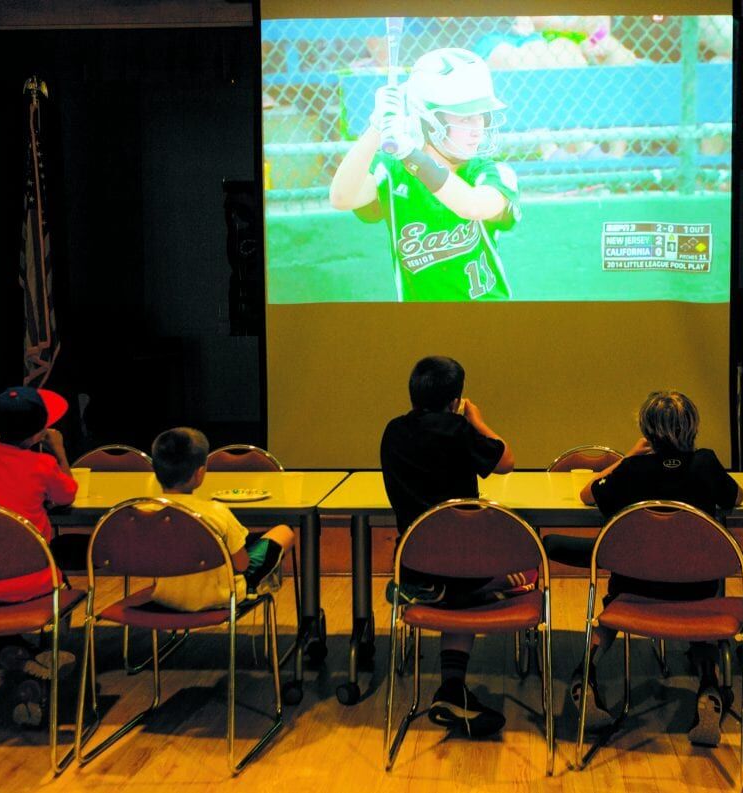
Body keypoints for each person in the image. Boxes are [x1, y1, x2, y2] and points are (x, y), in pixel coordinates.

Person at [544, 390, 743, 747]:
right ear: (692, 427)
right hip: (695, 588)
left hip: (633, 588)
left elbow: (588, 494)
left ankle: (584, 675)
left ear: (646, 430)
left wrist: (625, 459)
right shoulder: (705, 463)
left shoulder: (633, 470)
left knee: (611, 613)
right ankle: (709, 689)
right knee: (703, 620)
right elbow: (737, 499)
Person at [380, 355, 516, 737]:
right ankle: (453, 684)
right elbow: (506, 461)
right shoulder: (458, 429)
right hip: (463, 569)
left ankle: (453, 688)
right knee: (504, 576)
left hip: (410, 569)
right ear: (456, 400)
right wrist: (477, 420)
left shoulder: (392, 431)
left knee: (458, 586)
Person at [329, 47, 520, 302]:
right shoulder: (393, 170)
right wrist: (376, 126)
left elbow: (473, 206)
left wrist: (411, 154)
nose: (477, 130)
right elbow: (342, 198)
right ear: (429, 120)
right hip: (421, 322)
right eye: (464, 119)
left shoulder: (491, 171)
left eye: (480, 117)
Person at [0, 386, 79, 725]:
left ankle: (10, 651)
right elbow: (67, 496)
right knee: (61, 587)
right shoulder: (42, 465)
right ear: (41, 431)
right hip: (29, 585)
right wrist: (59, 451)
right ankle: (43, 659)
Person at [148, 428, 294, 612]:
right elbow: (241, 565)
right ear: (200, 473)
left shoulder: (144, 512)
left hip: (165, 597)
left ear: (155, 470)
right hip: (222, 596)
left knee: (243, 541)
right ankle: (251, 588)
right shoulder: (215, 511)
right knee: (284, 532)